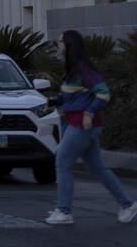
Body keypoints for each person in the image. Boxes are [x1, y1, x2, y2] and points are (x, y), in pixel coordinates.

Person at [45, 30, 137, 225]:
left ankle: (64, 211)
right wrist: (55, 100)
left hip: (82, 124)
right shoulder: (72, 69)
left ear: (68, 45)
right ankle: (127, 204)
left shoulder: (83, 69)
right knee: (97, 168)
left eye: (60, 42)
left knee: (62, 162)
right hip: (81, 124)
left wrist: (89, 113)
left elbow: (103, 94)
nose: (58, 45)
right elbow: (74, 96)